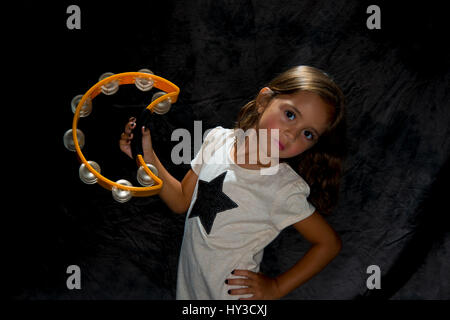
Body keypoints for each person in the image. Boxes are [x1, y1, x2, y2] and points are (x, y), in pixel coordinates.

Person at [119, 65, 346, 300]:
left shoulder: (283, 188)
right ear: (264, 100)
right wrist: (146, 157)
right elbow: (180, 201)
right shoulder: (217, 140)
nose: (291, 134)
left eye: (308, 134)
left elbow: (328, 244)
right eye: (290, 115)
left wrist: (276, 287)